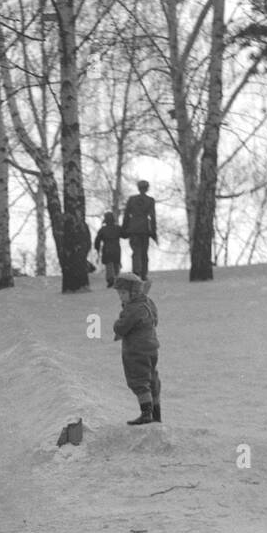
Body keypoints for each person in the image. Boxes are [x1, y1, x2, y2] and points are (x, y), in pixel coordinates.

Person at [113, 270, 161, 425]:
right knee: (152, 380)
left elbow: (121, 328)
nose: (121, 296)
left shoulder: (133, 309)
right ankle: (156, 414)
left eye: (123, 293)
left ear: (133, 293)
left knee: (139, 380)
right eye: (119, 293)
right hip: (151, 348)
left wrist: (118, 321)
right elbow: (155, 319)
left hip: (136, 351)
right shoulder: (147, 303)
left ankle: (146, 414)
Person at [121, 180, 157, 277]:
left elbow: (126, 215)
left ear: (138, 188)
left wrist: (124, 229)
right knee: (144, 252)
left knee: (136, 251)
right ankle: (143, 273)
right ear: (147, 188)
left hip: (133, 229)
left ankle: (137, 270)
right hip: (145, 230)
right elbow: (152, 217)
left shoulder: (132, 199)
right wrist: (153, 232)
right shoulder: (150, 200)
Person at [93, 210, 122, 288]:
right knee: (116, 264)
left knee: (109, 264)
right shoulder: (118, 228)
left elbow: (97, 240)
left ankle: (110, 280)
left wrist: (97, 248)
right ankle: (117, 279)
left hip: (107, 249)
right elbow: (125, 235)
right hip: (116, 248)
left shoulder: (102, 230)